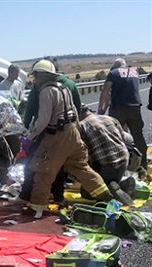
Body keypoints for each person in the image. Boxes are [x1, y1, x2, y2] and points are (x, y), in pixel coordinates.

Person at [26, 60, 112, 216]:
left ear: (42, 75)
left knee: (43, 171)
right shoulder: (64, 88)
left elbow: (43, 120)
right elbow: (74, 110)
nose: (35, 79)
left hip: (56, 137)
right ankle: (104, 193)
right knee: (79, 167)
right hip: (72, 132)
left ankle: (37, 207)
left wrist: (30, 137)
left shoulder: (46, 92)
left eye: (36, 76)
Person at [78, 105, 134, 204]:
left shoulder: (81, 126)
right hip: (123, 163)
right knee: (109, 178)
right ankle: (121, 184)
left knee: (86, 193)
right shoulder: (110, 118)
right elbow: (126, 139)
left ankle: (109, 188)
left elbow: (81, 154)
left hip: (104, 166)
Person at [98, 58, 147, 168]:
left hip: (118, 109)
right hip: (135, 108)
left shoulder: (113, 73)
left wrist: (100, 112)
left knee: (115, 136)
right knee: (138, 136)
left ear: (115, 66)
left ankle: (118, 165)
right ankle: (142, 165)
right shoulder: (135, 73)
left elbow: (105, 92)